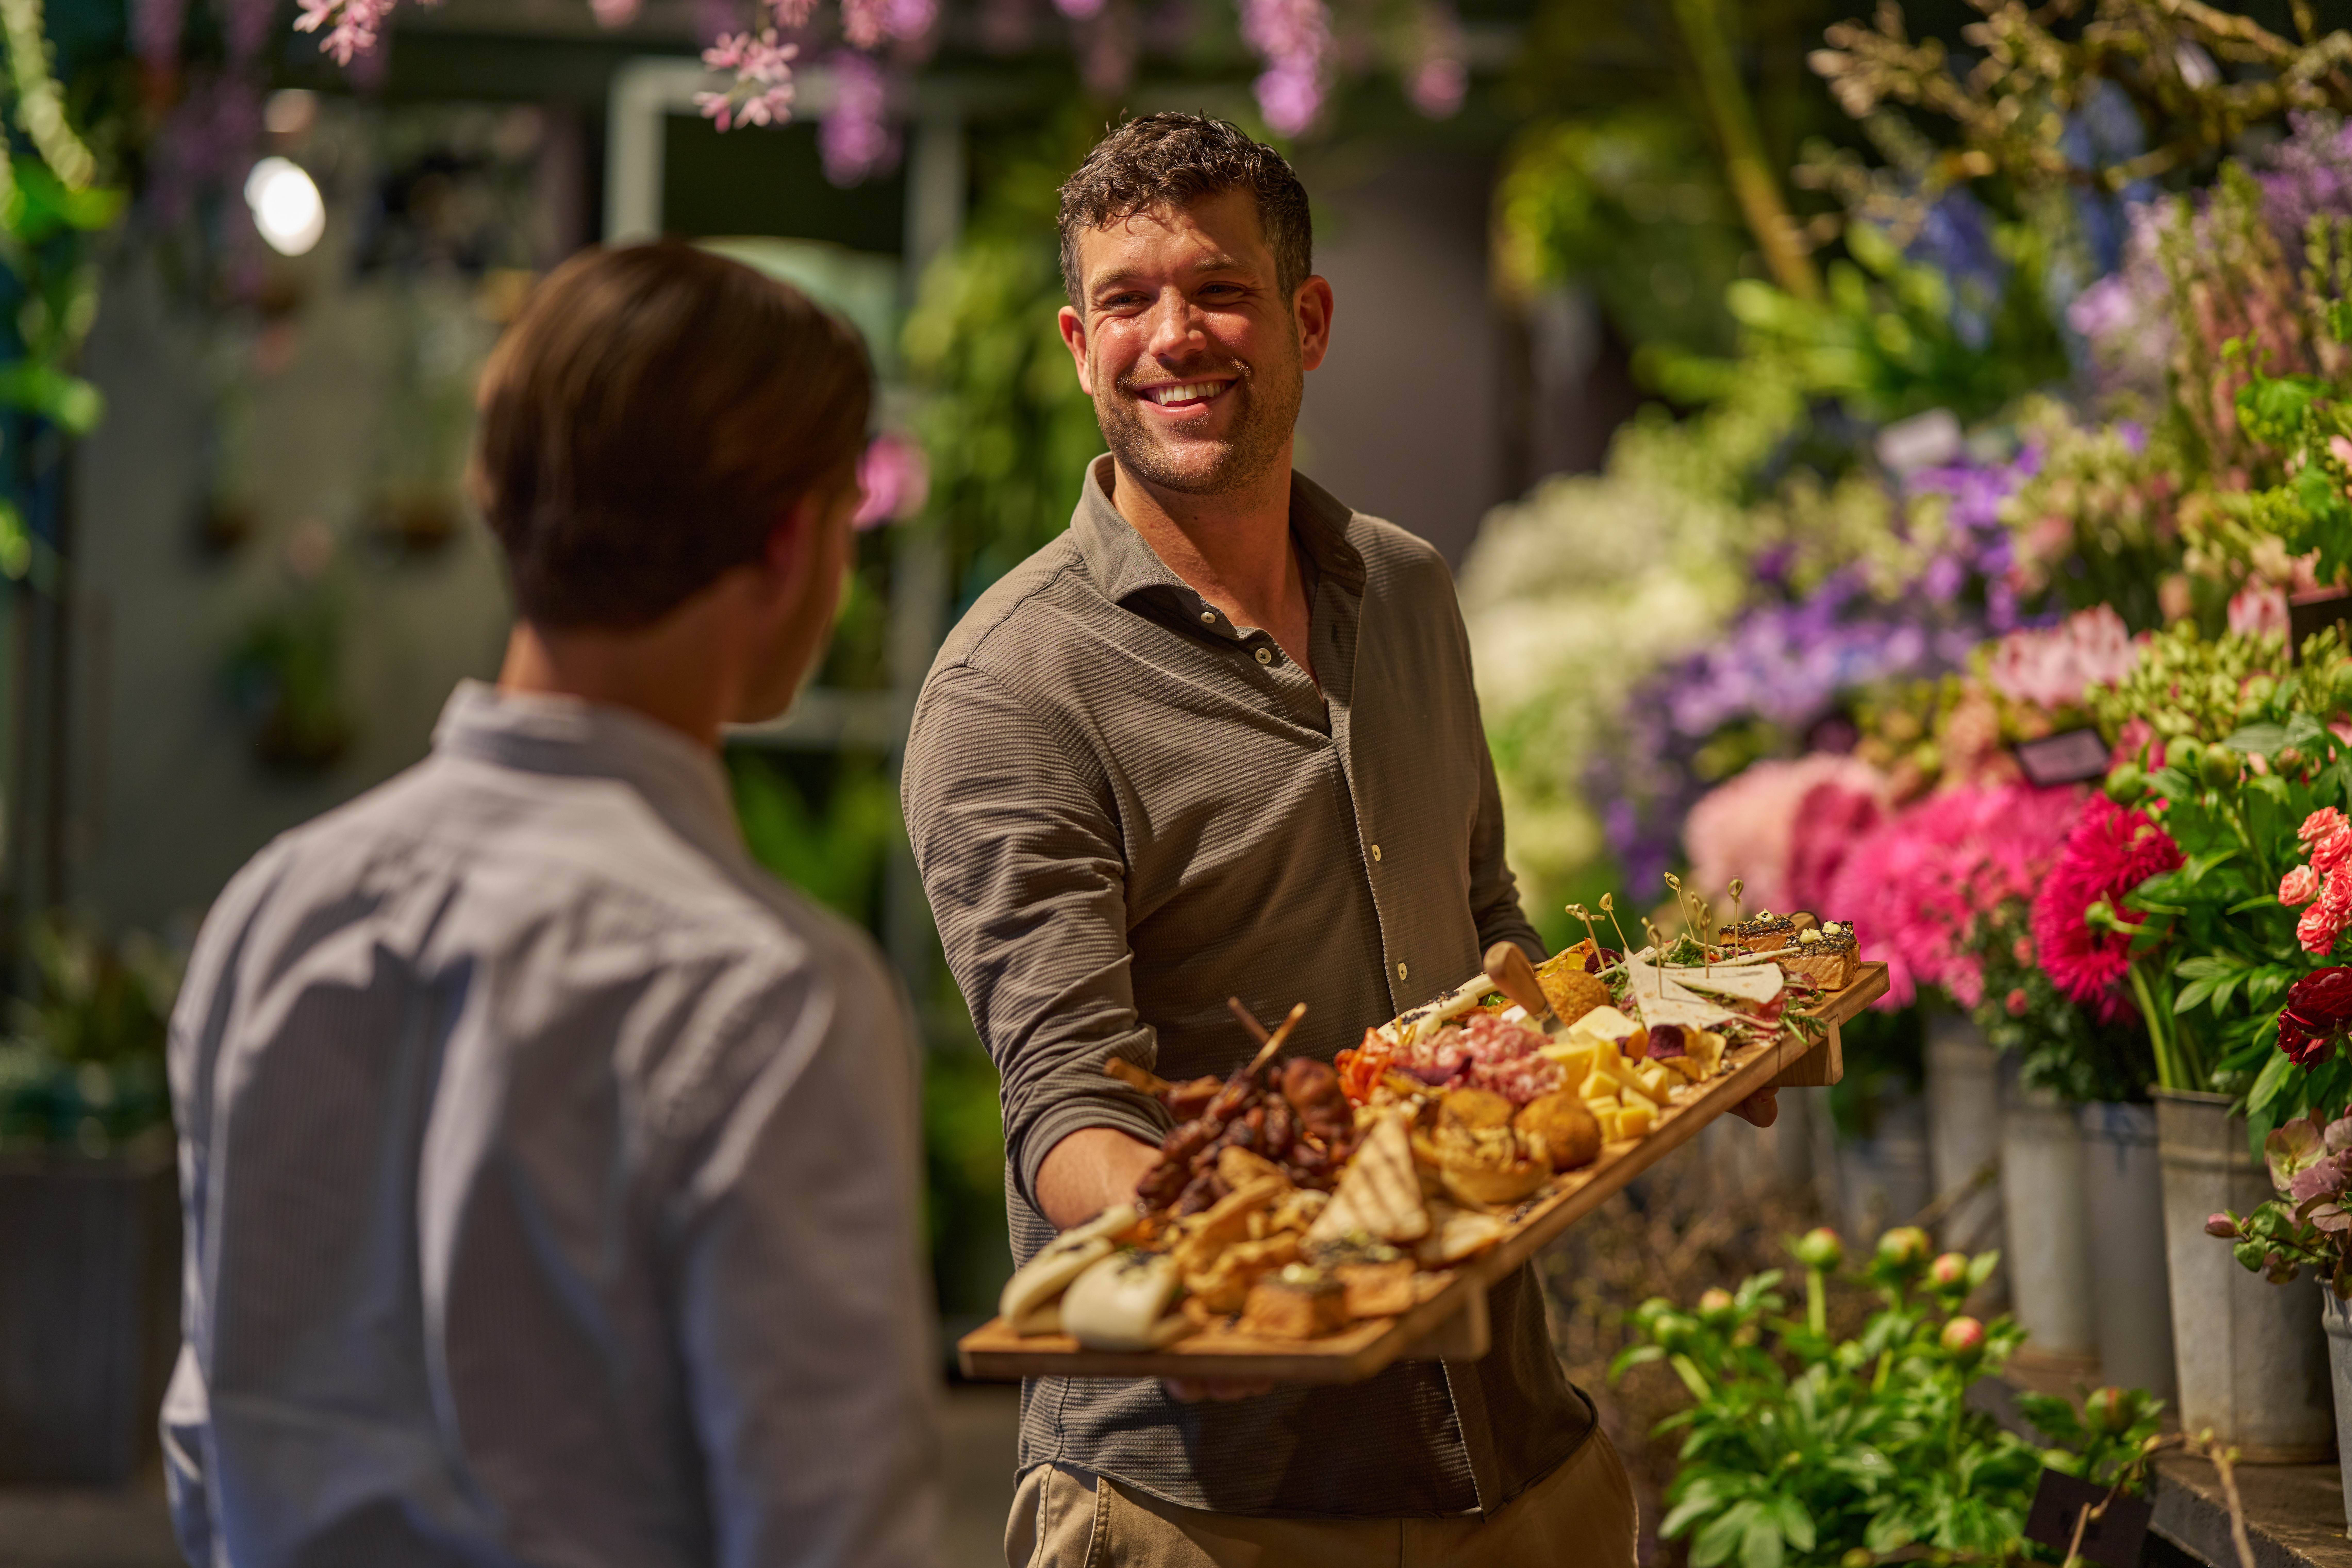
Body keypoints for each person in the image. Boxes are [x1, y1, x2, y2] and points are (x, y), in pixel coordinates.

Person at [903, 114, 1778, 1566]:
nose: (1173, 336)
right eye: (1126, 301)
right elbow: (1063, 1100)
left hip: (1516, 1450)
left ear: (1306, 318)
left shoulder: (1409, 592)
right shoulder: (1013, 685)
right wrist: (1193, 1277)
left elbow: (1483, 923)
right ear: (1077, 344)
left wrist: (1653, 1049)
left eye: (1218, 290)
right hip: (1217, 1498)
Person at [161, 241, 938, 1568]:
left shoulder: (275, 911)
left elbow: (208, 1443)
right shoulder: (769, 998)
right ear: (790, 538)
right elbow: (829, 1529)